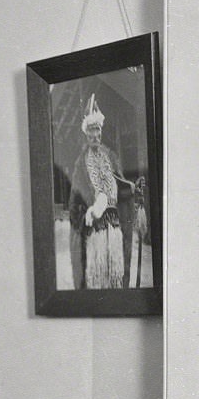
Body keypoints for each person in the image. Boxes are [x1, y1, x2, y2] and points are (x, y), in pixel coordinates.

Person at [67, 94, 135, 290]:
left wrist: (132, 192)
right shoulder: (81, 164)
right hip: (94, 229)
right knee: (97, 278)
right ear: (86, 135)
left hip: (114, 226)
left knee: (116, 276)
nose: (95, 136)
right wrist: (84, 217)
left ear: (101, 132)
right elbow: (75, 200)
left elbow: (120, 188)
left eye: (97, 132)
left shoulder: (111, 158)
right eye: (91, 133)